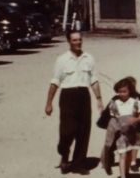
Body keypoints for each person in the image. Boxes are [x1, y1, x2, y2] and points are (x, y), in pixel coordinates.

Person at [45, 30, 104, 174]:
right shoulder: (62, 59)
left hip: (84, 95)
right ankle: (64, 154)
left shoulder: (89, 58)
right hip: (67, 96)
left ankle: (78, 163)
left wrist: (99, 100)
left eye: (79, 40)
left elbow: (94, 80)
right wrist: (49, 103)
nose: (78, 42)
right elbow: (55, 81)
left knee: (84, 131)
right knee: (67, 131)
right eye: (74, 40)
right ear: (69, 42)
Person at [109, 77, 140, 178]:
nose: (122, 94)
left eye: (124, 91)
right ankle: (122, 175)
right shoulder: (115, 104)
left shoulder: (136, 102)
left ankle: (127, 172)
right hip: (121, 133)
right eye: (120, 92)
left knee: (129, 153)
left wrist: (135, 120)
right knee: (122, 154)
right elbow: (113, 118)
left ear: (130, 91)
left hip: (132, 132)